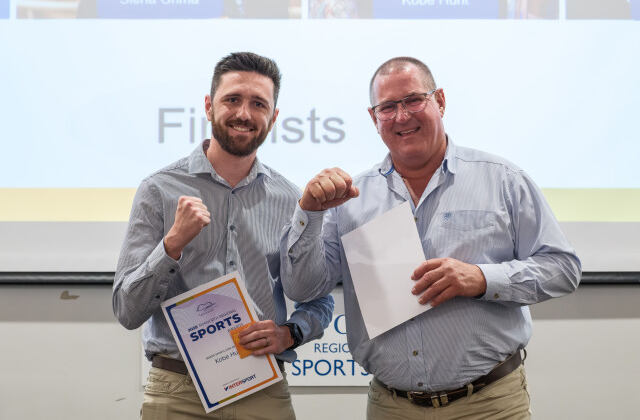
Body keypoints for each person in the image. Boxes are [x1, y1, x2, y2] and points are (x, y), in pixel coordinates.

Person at [280, 56, 581, 419]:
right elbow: (303, 288)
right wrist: (309, 213)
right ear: (374, 118)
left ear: (440, 101)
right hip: (392, 407)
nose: (401, 116)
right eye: (387, 107)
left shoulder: (503, 179)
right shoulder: (350, 200)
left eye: (413, 100)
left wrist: (482, 278)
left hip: (488, 405)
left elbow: (562, 268)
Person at [113, 51, 334, 420]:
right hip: (178, 390)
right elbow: (127, 310)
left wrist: (291, 333)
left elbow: (318, 298)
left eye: (258, 103)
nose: (244, 113)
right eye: (232, 99)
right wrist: (172, 245)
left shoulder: (292, 200)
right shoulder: (158, 189)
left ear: (273, 117)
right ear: (208, 106)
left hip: (263, 387)